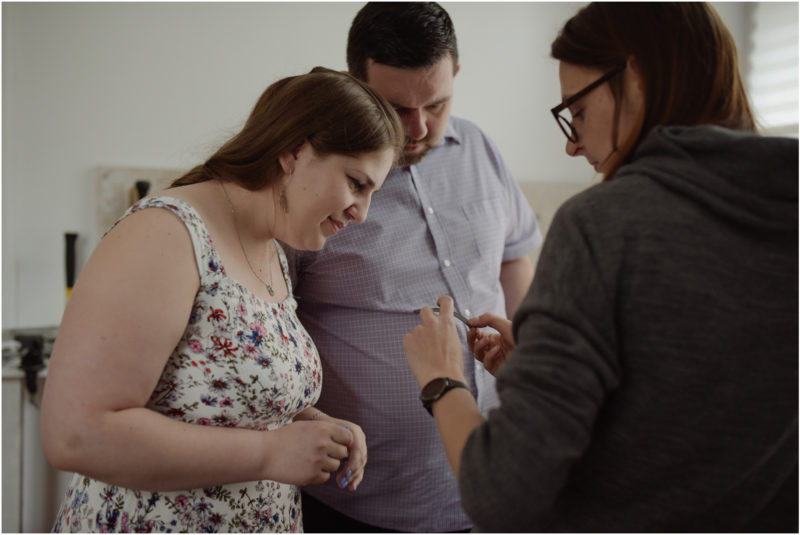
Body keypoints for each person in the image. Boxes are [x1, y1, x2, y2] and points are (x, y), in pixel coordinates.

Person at [403, 2, 798, 532]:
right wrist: (550, 366)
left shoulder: (600, 225)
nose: (572, 144)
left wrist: (442, 380)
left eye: (579, 111)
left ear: (635, 79)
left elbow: (500, 495)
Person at [40, 66, 404, 533]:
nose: (362, 212)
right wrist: (269, 453)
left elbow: (221, 397)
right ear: (294, 151)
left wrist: (317, 427)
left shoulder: (270, 250)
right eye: (356, 183)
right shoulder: (167, 234)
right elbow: (76, 434)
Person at [290, 3, 541, 532]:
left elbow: (514, 255)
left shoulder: (480, 149)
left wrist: (534, 358)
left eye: (437, 103)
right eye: (397, 108)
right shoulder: (316, 177)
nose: (419, 127)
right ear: (354, 85)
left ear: (456, 73)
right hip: (360, 503)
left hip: (493, 487)